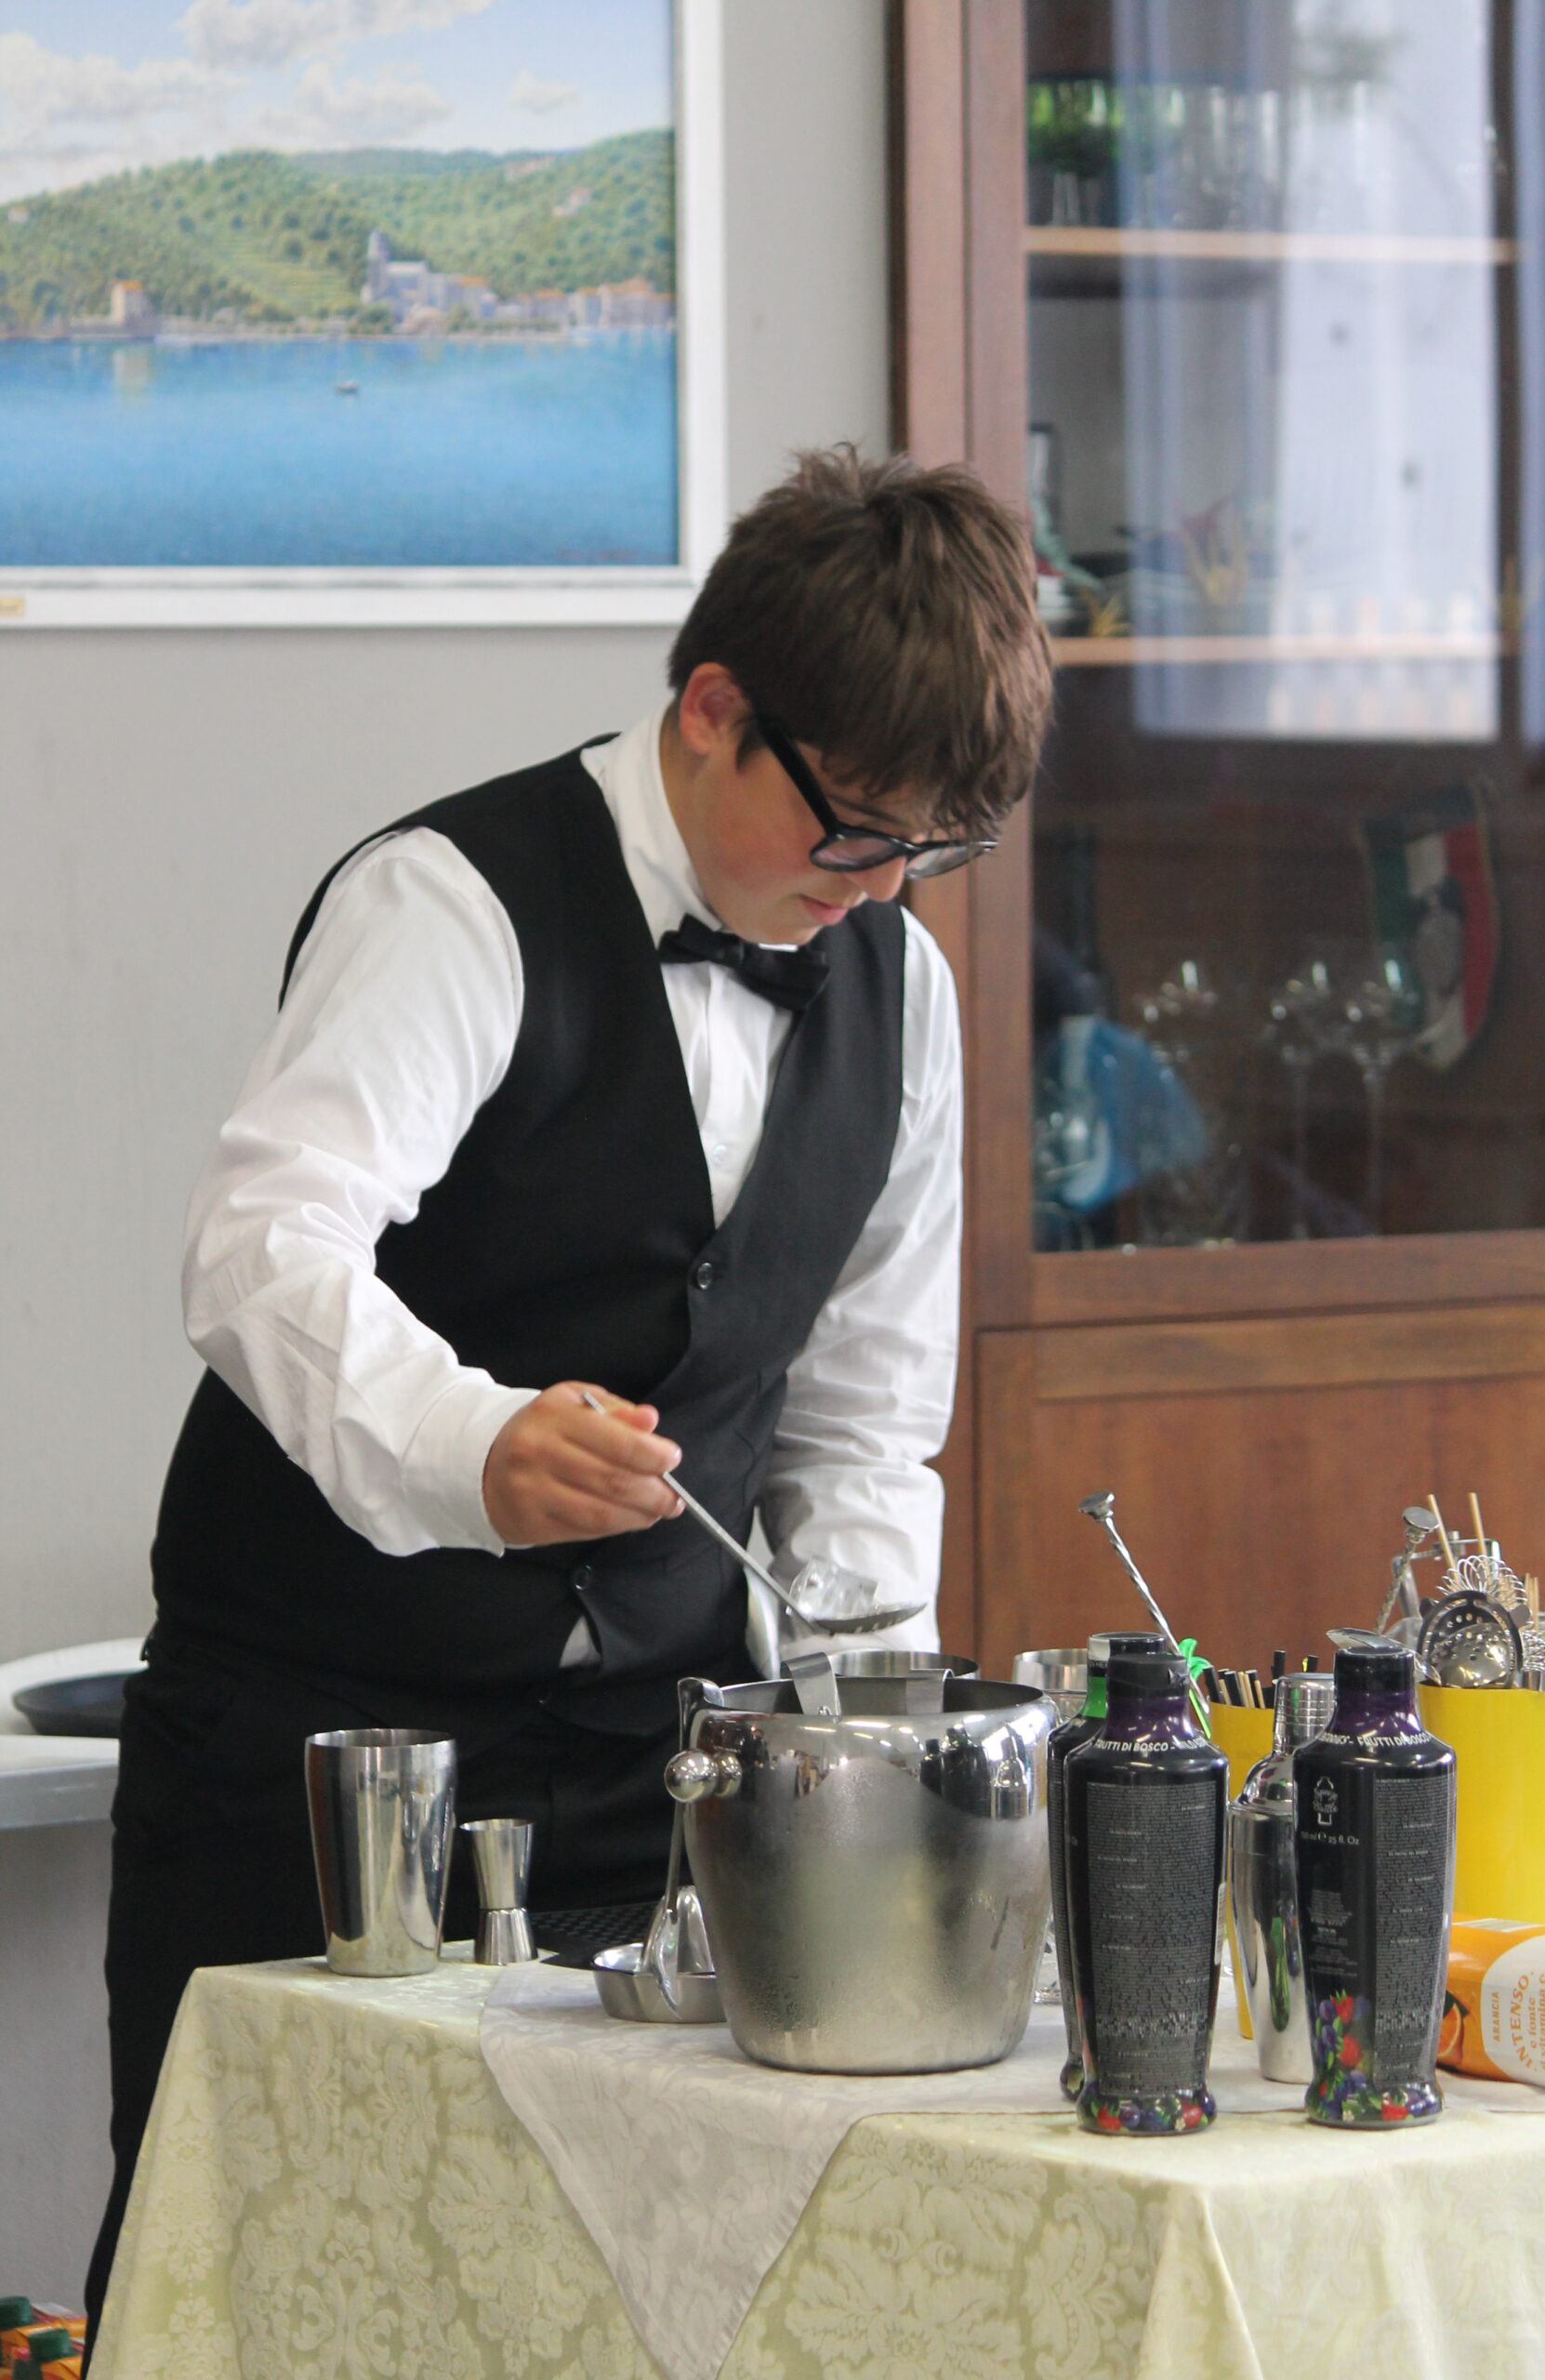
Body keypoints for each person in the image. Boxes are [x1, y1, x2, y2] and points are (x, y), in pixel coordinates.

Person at [83, 445, 1051, 2339]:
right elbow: (260, 1242)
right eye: (854, 834)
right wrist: (469, 1441)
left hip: (649, 1782)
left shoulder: (902, 999)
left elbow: (859, 1419)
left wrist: (867, 1730)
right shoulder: (451, 901)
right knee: (271, 2294)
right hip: (324, 1760)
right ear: (713, 712)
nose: (874, 892)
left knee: (613, 2306)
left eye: (924, 855)